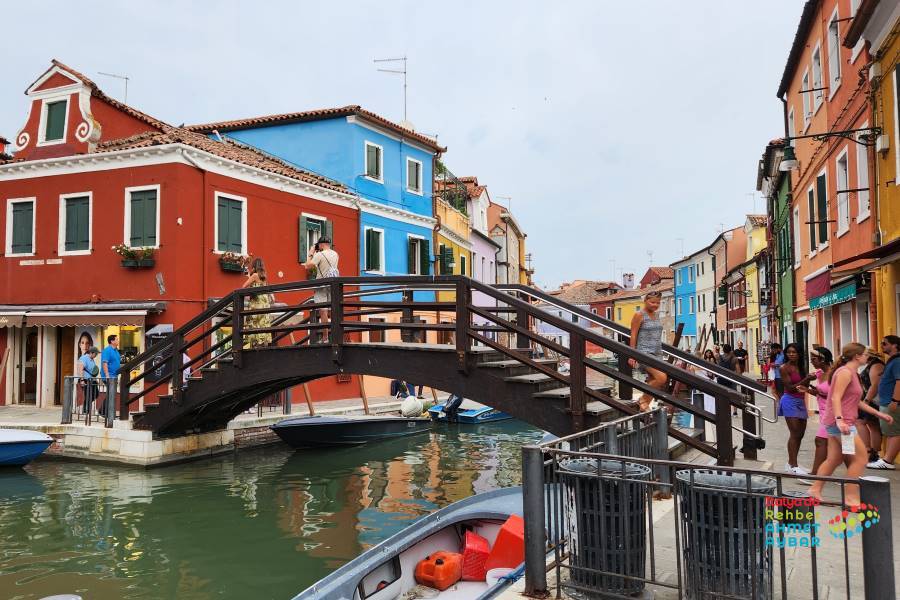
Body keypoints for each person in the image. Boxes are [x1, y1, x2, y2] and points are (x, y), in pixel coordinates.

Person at [808, 344, 893, 505]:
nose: (868, 356)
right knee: (860, 460)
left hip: (839, 424)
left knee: (833, 459)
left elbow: (856, 401)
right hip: (842, 425)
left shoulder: (852, 373)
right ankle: (850, 497)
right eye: (866, 354)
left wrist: (879, 413)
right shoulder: (845, 373)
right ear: (857, 357)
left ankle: (815, 489)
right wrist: (840, 420)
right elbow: (836, 397)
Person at [627, 290, 667, 412]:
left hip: (657, 353)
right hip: (644, 353)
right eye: (652, 302)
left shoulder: (656, 315)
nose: (655, 305)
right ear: (645, 301)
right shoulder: (639, 315)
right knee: (661, 378)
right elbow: (633, 335)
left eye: (657, 303)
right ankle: (642, 400)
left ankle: (643, 409)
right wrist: (632, 355)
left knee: (652, 380)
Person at [777, 343, 809, 475]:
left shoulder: (802, 367)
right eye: (789, 352)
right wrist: (807, 378)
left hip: (800, 401)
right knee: (795, 433)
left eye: (794, 352)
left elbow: (805, 385)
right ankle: (793, 465)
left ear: (799, 354)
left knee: (800, 434)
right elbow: (790, 387)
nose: (791, 354)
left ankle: (791, 463)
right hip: (789, 400)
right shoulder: (784, 368)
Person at [303, 237, 340, 339]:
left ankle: (325, 337)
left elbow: (307, 266)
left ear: (321, 244)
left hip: (321, 285)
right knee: (333, 310)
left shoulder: (320, 254)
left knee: (323, 311)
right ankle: (336, 335)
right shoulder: (336, 254)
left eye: (318, 245)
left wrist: (311, 253)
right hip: (332, 285)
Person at [807, 346, 833, 475]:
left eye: (814, 359)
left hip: (833, 413)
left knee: (820, 440)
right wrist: (807, 390)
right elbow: (820, 393)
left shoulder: (834, 374)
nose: (811, 361)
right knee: (837, 447)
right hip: (823, 411)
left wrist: (818, 392)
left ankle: (815, 473)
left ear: (823, 360)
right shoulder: (819, 373)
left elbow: (836, 395)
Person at [859, 348, 888, 468]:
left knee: (861, 422)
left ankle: (870, 451)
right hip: (872, 400)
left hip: (872, 400)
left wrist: (866, 401)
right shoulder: (872, 364)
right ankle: (872, 453)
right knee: (873, 425)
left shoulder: (876, 365)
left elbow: (875, 385)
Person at [876, 335, 900, 469]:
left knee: (894, 431)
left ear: (895, 345)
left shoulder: (897, 361)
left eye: (884, 343)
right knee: (890, 431)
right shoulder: (892, 360)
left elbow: (899, 382)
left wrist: (895, 400)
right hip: (886, 401)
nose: (882, 345)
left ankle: (888, 461)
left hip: (892, 402)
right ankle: (886, 459)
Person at [243, 257, 273, 348]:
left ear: (254, 266)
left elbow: (244, 286)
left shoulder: (255, 275)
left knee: (254, 325)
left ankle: (255, 348)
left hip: (256, 304)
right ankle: (263, 348)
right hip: (265, 304)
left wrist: (249, 277)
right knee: (263, 325)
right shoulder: (264, 276)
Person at [79, 346, 100, 415]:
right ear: (91, 353)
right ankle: (85, 410)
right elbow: (81, 369)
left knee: (96, 394)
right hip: (86, 380)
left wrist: (95, 379)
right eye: (96, 354)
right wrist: (82, 380)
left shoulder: (92, 359)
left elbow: (92, 371)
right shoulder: (84, 358)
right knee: (88, 395)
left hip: (92, 380)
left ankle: (86, 406)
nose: (96, 355)